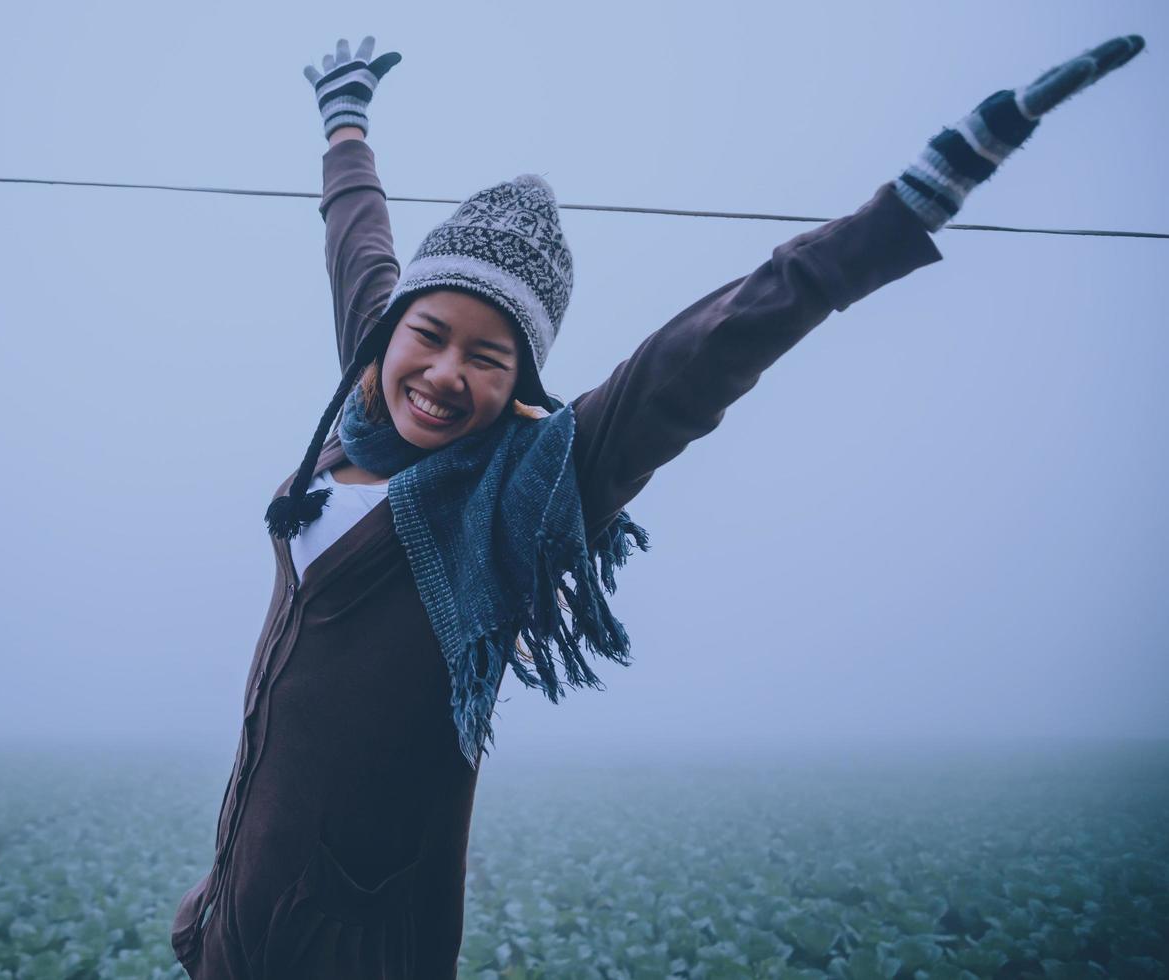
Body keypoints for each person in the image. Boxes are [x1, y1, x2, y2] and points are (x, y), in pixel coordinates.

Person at [171, 33, 1145, 979]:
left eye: (487, 353)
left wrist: (919, 195)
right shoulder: (363, 398)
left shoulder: (524, 486)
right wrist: (345, 121)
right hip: (239, 901)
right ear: (387, 333)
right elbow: (360, 243)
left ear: (520, 385)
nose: (441, 370)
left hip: (357, 938)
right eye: (429, 333)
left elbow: (710, 348)